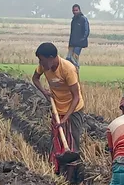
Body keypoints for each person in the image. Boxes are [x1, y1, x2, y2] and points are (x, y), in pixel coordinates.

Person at [32, 42, 85, 176]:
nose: (41, 64)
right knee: (56, 139)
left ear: (51, 57)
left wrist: (66, 118)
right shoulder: (44, 66)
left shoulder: (68, 69)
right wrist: (44, 91)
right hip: (57, 108)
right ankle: (57, 171)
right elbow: (35, 78)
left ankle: (72, 175)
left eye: (42, 60)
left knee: (72, 141)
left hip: (73, 109)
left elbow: (76, 97)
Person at [67, 4, 90, 74]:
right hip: (72, 43)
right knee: (68, 58)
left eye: (76, 10)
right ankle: (69, 74)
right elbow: (72, 32)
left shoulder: (83, 19)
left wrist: (82, 40)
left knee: (74, 58)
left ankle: (76, 74)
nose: (75, 12)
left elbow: (87, 31)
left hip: (79, 43)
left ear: (79, 10)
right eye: (74, 10)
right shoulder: (73, 20)